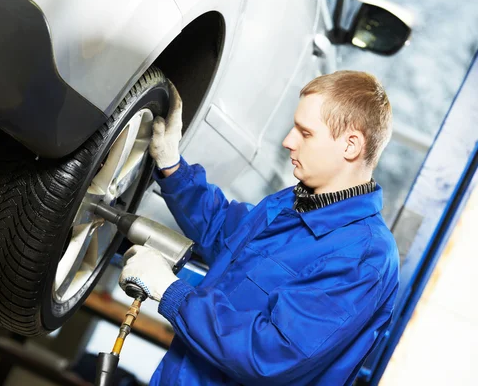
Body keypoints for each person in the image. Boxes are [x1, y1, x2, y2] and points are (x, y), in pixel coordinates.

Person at [119, 71, 400, 386]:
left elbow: (271, 355)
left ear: (351, 145)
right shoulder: (295, 202)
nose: (288, 141)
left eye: (305, 133)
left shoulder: (363, 256)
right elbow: (224, 234)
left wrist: (170, 290)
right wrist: (172, 167)